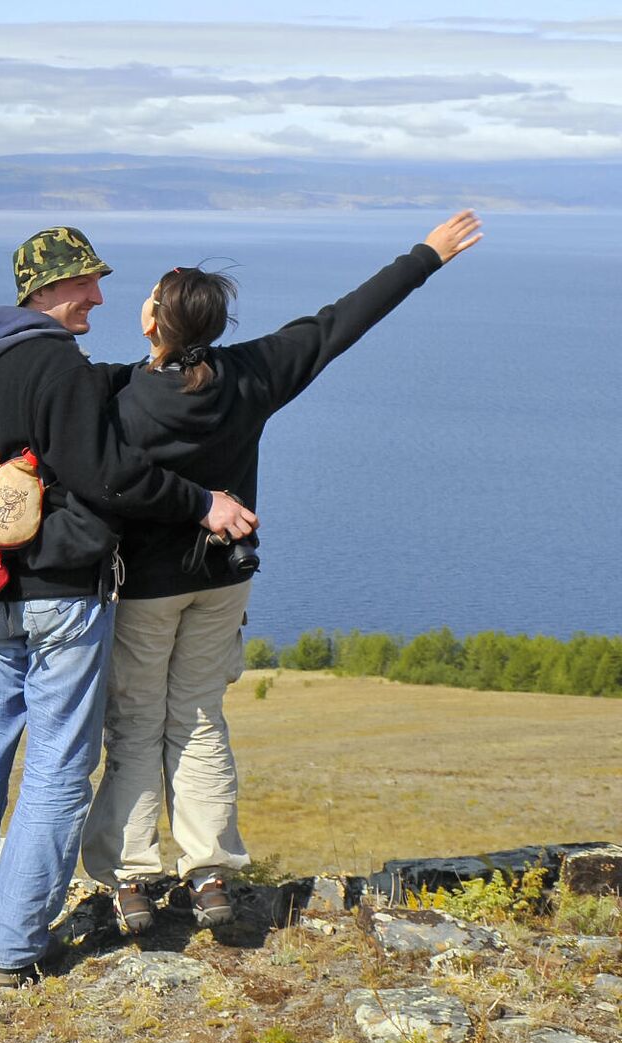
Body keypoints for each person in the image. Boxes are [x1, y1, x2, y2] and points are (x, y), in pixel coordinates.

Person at [81, 211, 484, 935]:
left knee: (137, 724)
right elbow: (339, 324)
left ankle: (132, 881)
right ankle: (207, 874)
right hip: (224, 582)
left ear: (153, 325)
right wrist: (427, 255)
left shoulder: (124, 402)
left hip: (146, 588)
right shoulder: (251, 375)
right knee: (200, 717)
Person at [0, 227, 258, 986]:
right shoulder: (60, 366)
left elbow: (58, 412)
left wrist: (139, 373)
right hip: (63, 597)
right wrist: (202, 501)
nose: (99, 297)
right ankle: (13, 950)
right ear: (47, 289)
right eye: (85, 285)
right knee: (56, 772)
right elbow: (109, 477)